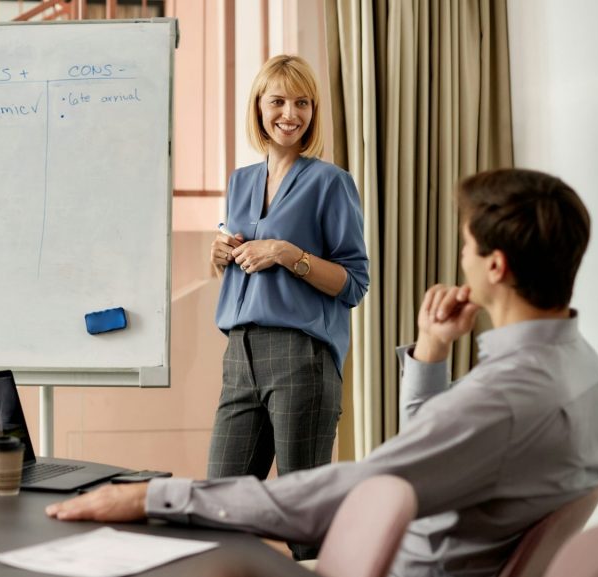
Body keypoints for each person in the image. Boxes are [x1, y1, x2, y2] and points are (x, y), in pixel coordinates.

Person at [47, 168, 598, 577]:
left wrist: (155, 497)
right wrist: (434, 350)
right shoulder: (582, 371)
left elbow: (346, 493)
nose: (460, 257)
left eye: (466, 246)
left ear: (495, 265)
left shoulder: (505, 397)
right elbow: (429, 451)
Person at [206, 54, 369, 557]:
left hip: (301, 357)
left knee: (304, 517)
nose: (290, 113)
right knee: (220, 510)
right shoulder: (239, 182)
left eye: (302, 102)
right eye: (278, 100)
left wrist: (287, 254)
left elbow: (354, 282)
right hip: (240, 353)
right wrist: (218, 253)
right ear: (258, 107)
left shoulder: (330, 182)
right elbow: (237, 257)